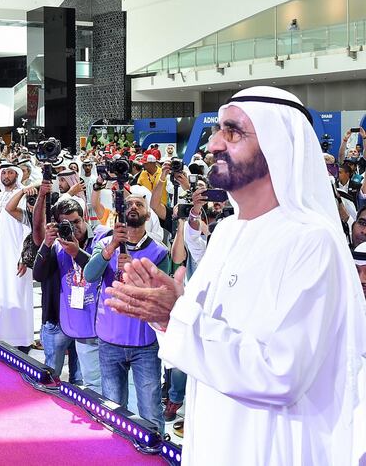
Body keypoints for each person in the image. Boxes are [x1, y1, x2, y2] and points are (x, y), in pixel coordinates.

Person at [107, 86, 366, 465]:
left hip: (271, 447)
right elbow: (198, 341)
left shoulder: (311, 240)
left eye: (233, 132)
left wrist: (175, 315)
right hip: (214, 438)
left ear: (281, 144)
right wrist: (165, 316)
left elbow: (282, 372)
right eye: (216, 131)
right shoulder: (228, 231)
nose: (213, 145)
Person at [84, 194, 168, 433]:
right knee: (113, 410)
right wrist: (109, 250)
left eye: (139, 204)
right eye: (128, 204)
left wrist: (136, 272)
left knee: (150, 410)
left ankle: (155, 454)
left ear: (148, 214)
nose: (133, 207)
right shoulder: (104, 242)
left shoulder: (159, 251)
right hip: (110, 340)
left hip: (145, 343)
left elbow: (163, 294)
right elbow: (89, 276)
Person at [33, 199, 103, 392]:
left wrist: (76, 253)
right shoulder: (54, 244)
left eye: (77, 221)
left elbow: (98, 271)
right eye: (67, 224)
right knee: (51, 380)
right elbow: (38, 274)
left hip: (88, 322)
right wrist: (47, 244)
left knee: (83, 382)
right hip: (57, 320)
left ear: (85, 218)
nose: (73, 228)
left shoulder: (99, 239)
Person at [0, 163, 34, 351]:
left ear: (17, 175)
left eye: (10, 172)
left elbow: (27, 228)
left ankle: (21, 339)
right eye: (3, 172)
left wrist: (25, 257)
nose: (6, 175)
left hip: (17, 254)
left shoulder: (24, 195)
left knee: (17, 294)